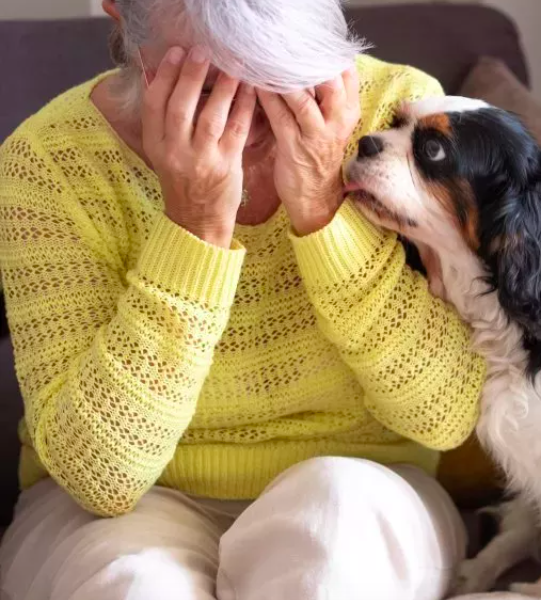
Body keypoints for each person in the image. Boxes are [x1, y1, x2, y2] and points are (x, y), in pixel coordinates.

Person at [0, 1, 485, 599]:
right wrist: (195, 226)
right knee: (135, 584)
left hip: (368, 479)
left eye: (285, 73)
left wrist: (322, 212)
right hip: (125, 508)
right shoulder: (48, 162)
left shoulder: (401, 117)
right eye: (210, 85)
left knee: (338, 525)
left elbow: (443, 416)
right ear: (121, 16)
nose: (253, 113)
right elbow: (102, 478)